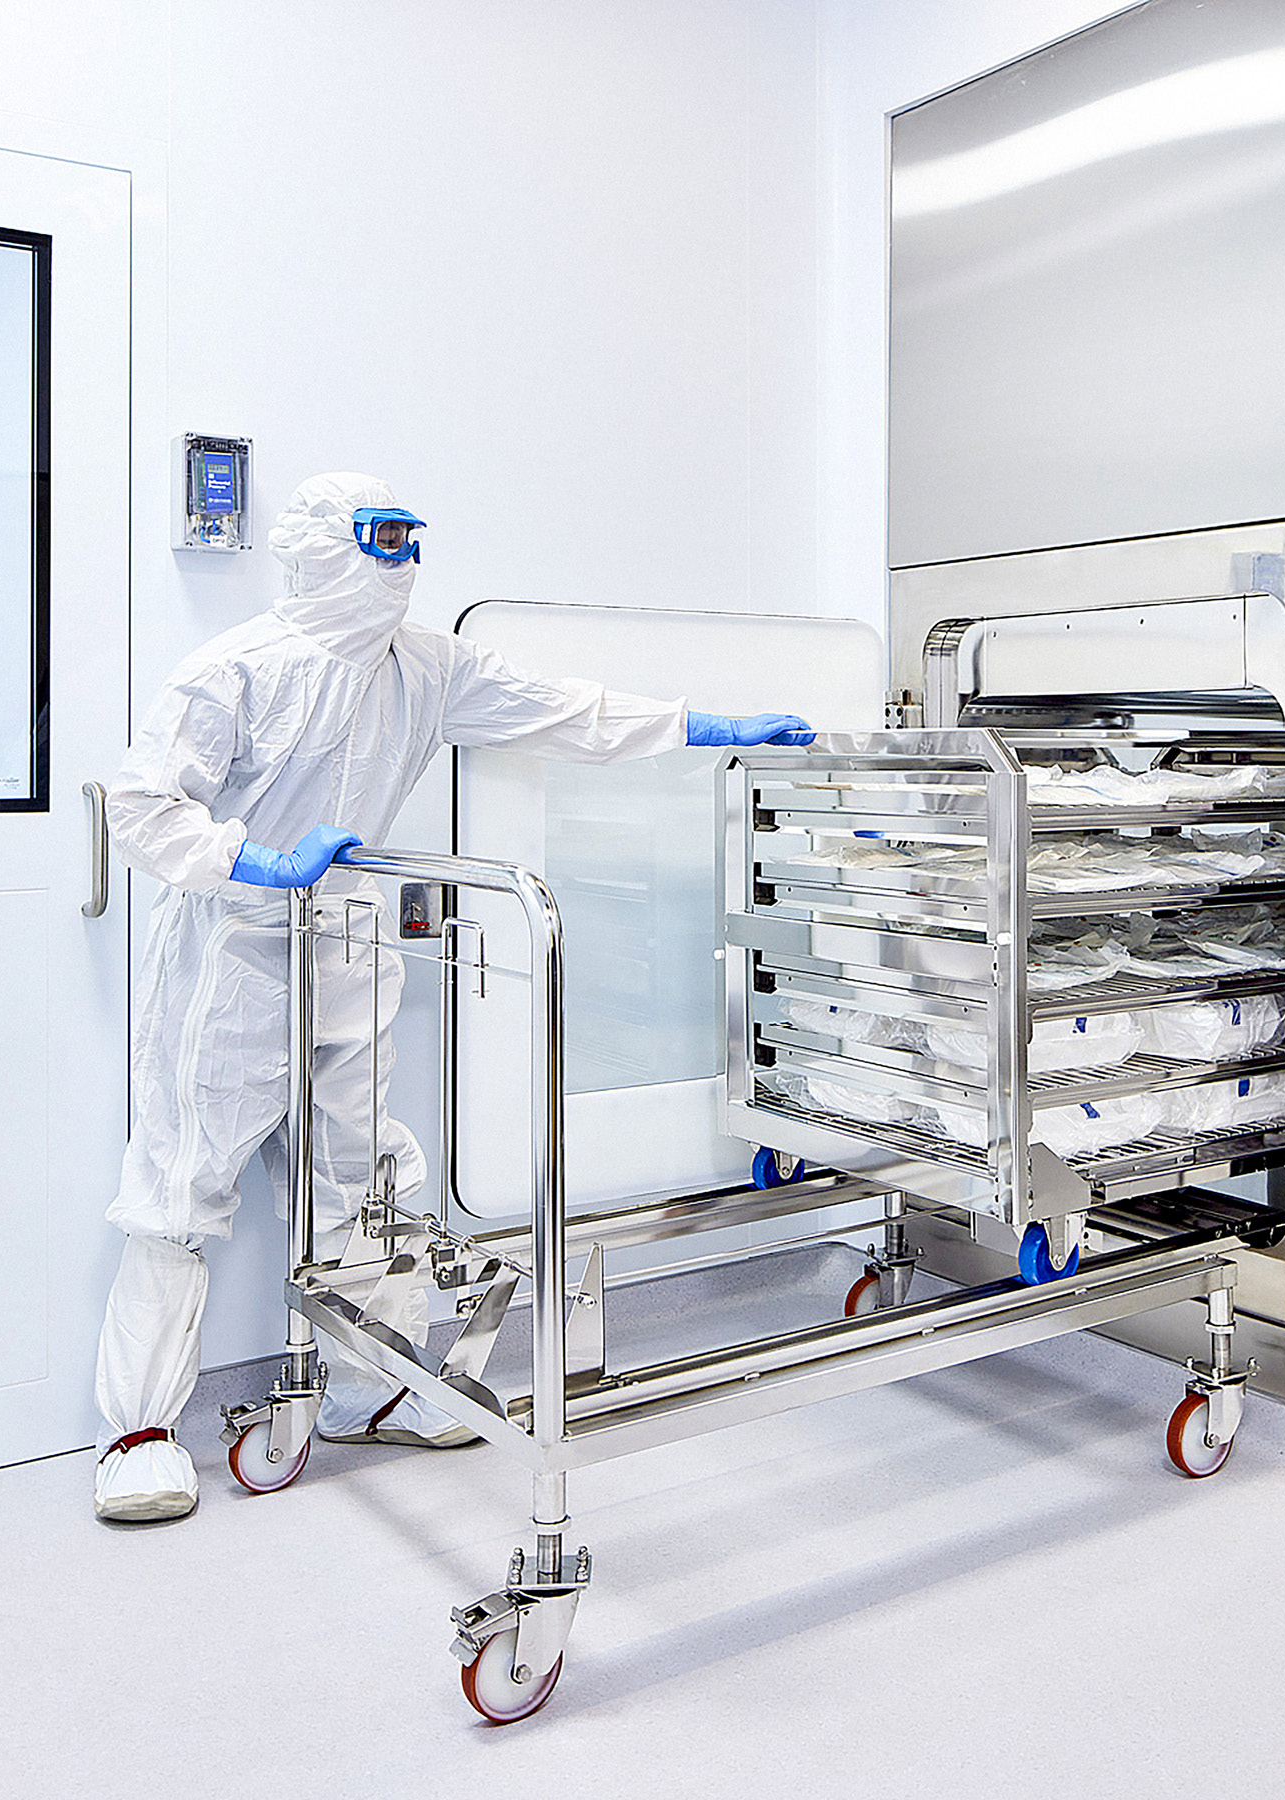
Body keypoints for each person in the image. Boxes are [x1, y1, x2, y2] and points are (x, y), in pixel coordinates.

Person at [93, 470, 813, 1522]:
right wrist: (255, 859)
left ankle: (373, 1390)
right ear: (323, 547)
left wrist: (704, 725)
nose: (405, 560)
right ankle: (139, 1432)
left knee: (371, 1176)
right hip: (234, 953)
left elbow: (565, 710)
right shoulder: (236, 668)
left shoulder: (426, 666)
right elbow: (142, 805)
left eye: (411, 540)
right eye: (383, 538)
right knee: (181, 1183)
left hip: (348, 940)